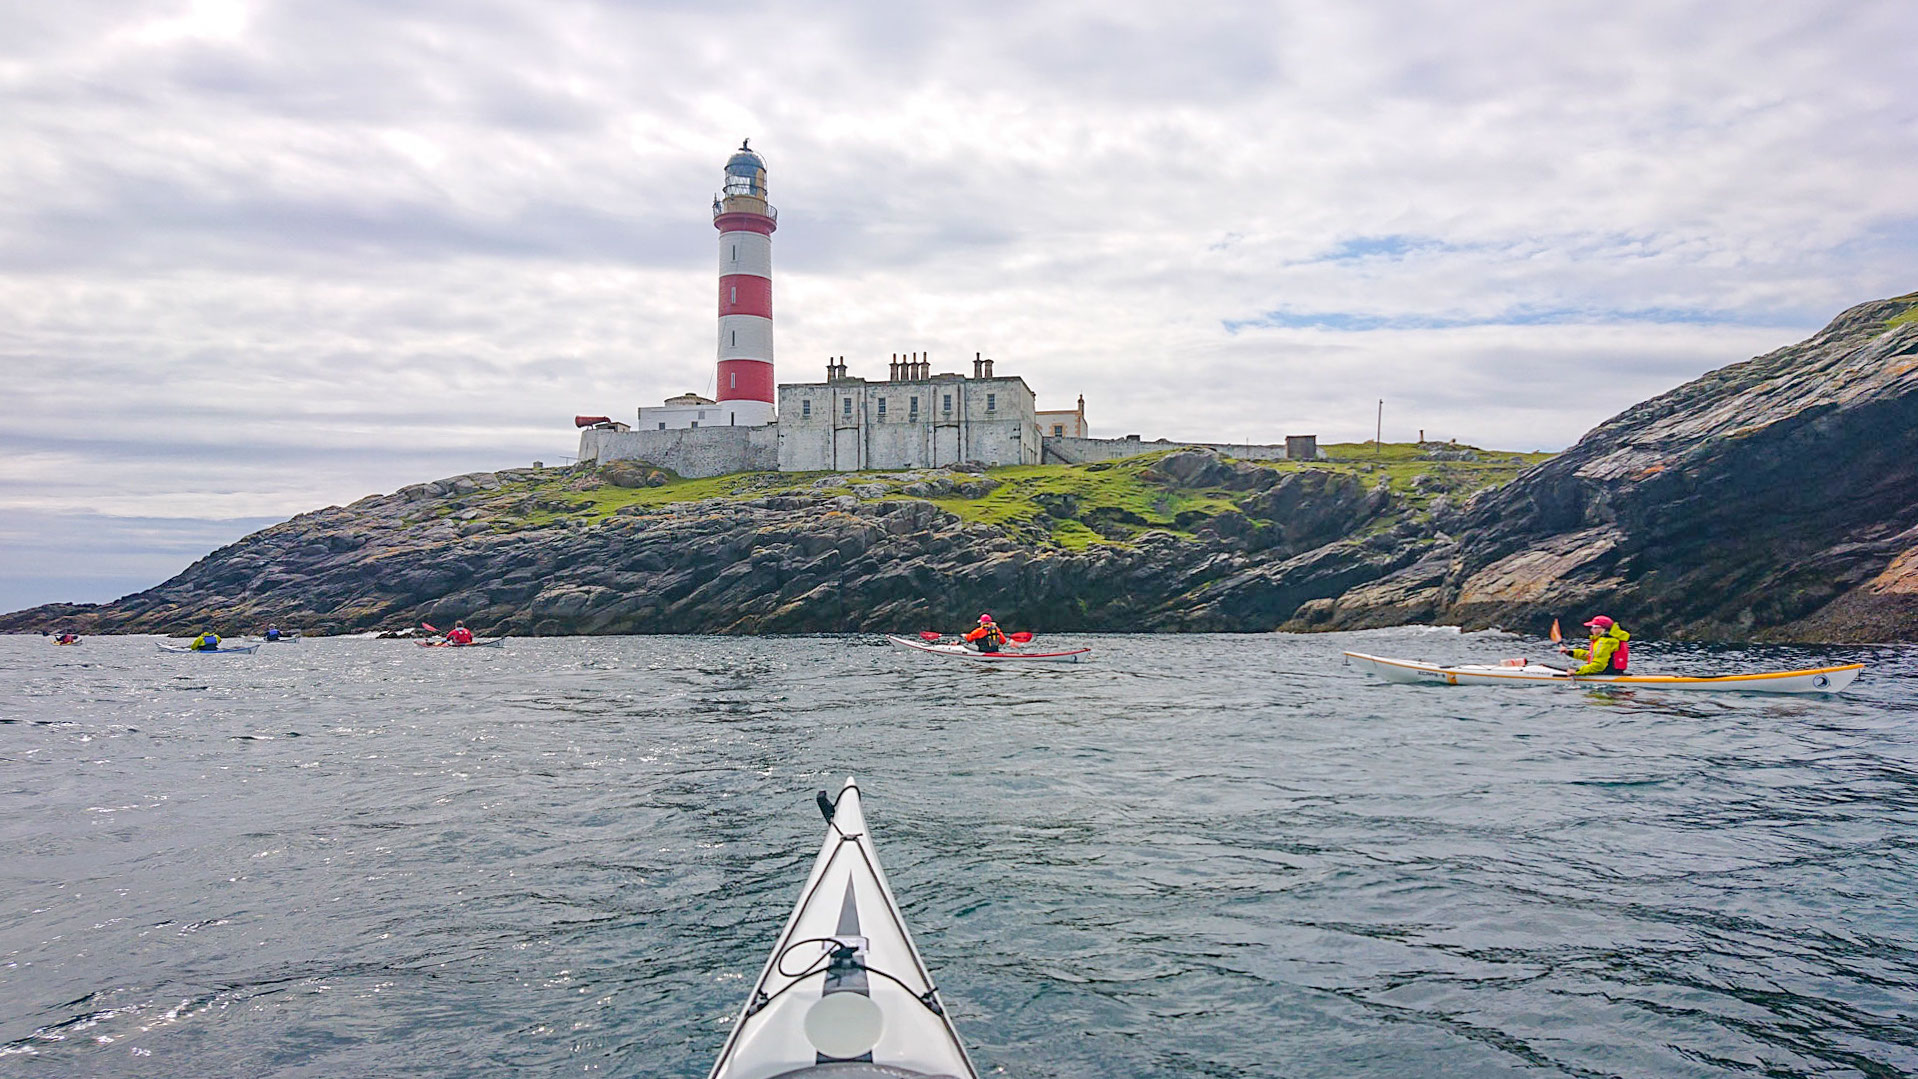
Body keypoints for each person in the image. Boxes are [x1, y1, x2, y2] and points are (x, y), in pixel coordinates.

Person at [1561, 615, 1629, 675]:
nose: (1591, 630)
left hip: (1605, 674)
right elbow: (1592, 655)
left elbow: (1599, 665)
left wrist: (1577, 671)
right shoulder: (1608, 640)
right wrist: (1569, 652)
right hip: (1612, 673)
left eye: (1594, 627)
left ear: (1602, 629)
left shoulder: (1605, 642)